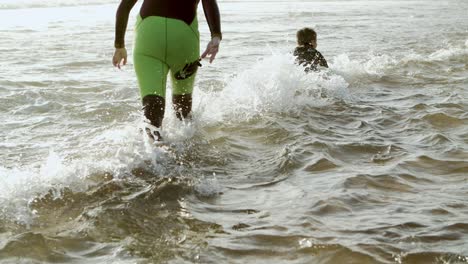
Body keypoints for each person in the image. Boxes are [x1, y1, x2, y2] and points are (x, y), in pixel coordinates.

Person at [112, 0, 222, 141]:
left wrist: (119, 45)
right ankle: (188, 150)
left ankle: (154, 156)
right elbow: (209, 2)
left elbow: (124, 7)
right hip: (184, 43)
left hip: (148, 40)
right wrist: (216, 36)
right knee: (183, 106)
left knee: (152, 105)